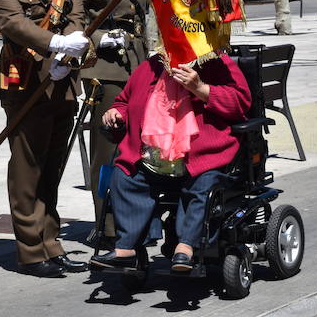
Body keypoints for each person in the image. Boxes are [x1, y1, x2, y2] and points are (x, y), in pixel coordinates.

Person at [0, 0, 90, 278]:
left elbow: (77, 12)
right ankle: (31, 250)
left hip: (63, 78)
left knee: (52, 166)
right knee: (28, 165)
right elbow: (11, 22)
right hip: (26, 77)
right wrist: (56, 45)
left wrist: (74, 42)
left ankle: (51, 242)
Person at [91, 51, 251, 272]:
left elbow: (240, 104)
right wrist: (116, 112)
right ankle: (127, 248)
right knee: (124, 177)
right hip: (152, 159)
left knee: (204, 188)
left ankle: (185, 247)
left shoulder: (218, 63)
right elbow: (125, 101)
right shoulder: (151, 65)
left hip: (200, 157)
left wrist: (201, 88)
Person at [74, 0, 148, 248]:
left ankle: (136, 219)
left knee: (139, 147)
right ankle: (107, 224)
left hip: (138, 66)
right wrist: (102, 38)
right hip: (107, 70)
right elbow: (73, 24)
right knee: (109, 151)